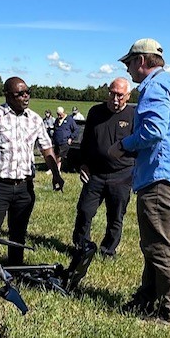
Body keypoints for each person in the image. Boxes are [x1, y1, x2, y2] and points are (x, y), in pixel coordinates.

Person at [113, 38, 170, 324]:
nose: (127, 70)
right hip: (167, 177)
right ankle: (147, 300)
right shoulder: (168, 83)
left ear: (141, 61)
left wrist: (125, 144)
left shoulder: (155, 86)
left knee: (160, 247)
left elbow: (153, 131)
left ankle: (169, 313)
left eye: (129, 63)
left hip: (161, 178)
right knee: (152, 245)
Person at [0, 77, 64, 267]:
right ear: (7, 95)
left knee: (18, 232)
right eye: (20, 94)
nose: (25, 96)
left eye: (27, 92)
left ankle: (15, 269)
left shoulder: (35, 119)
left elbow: (46, 149)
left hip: (24, 188)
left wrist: (56, 174)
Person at [66, 78, 137, 259]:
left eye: (120, 95)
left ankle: (108, 251)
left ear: (128, 96)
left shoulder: (134, 115)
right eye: (112, 94)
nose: (115, 99)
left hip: (121, 176)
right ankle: (81, 247)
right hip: (95, 174)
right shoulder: (95, 112)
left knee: (115, 216)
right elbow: (86, 142)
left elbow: (139, 145)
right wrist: (83, 164)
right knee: (84, 211)